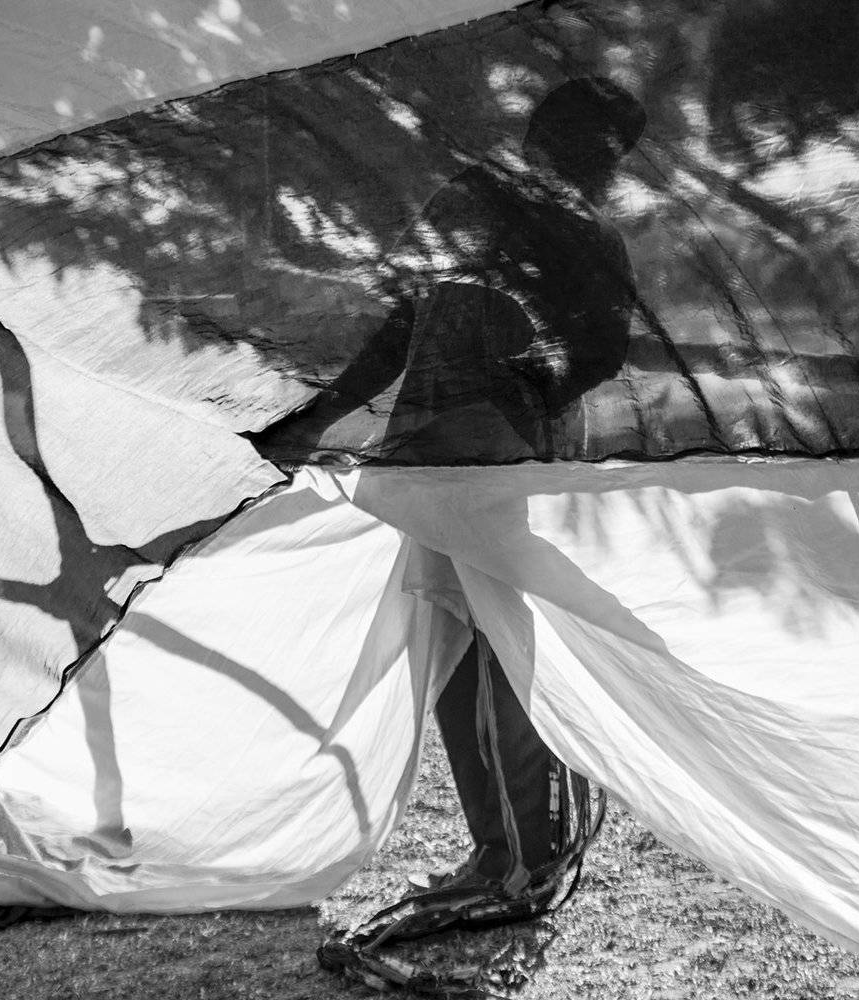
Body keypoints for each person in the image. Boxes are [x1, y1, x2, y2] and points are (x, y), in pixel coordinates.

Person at [256, 76, 647, 921]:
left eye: (610, 152)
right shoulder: (477, 202)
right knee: (458, 638)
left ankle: (521, 858)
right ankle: (500, 852)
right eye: (595, 145)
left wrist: (524, 385)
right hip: (435, 456)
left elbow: (602, 349)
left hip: (499, 461)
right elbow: (402, 323)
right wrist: (316, 417)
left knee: (497, 643)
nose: (601, 163)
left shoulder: (581, 232)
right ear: (549, 137)